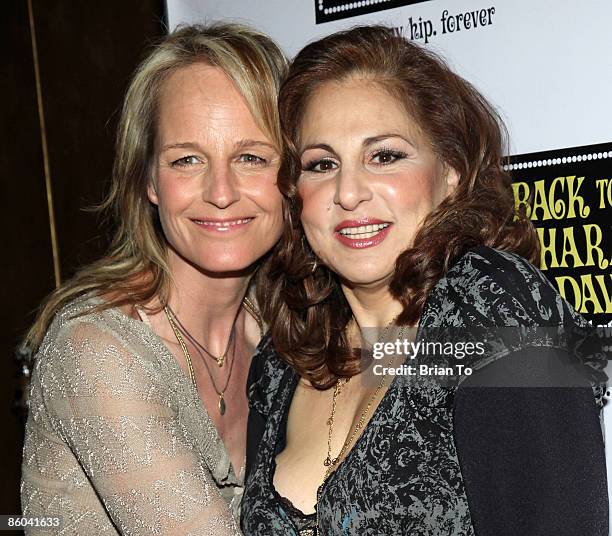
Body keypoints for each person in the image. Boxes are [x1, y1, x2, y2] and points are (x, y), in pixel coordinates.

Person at [241, 26, 608, 535]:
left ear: (451, 171)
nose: (348, 193)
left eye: (384, 156)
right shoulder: (282, 362)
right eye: (321, 164)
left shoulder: (489, 306)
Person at [21, 23, 286, 534]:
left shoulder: (276, 327)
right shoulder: (97, 349)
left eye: (251, 157)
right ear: (148, 180)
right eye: (187, 160)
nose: (222, 192)